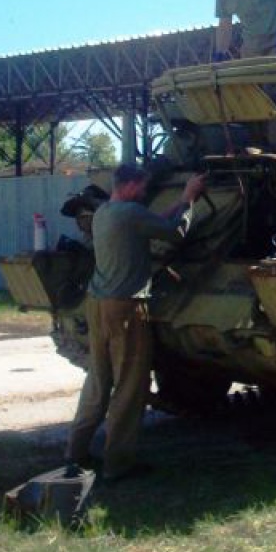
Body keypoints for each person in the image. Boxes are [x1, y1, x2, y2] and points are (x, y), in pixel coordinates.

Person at [64, 163, 206, 482]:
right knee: (130, 385)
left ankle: (75, 452)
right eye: (142, 186)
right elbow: (175, 233)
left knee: (98, 381)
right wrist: (188, 198)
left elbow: (150, 222)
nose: (145, 192)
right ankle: (118, 464)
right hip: (126, 308)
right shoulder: (131, 213)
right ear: (130, 185)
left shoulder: (104, 212)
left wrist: (175, 204)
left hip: (97, 303)